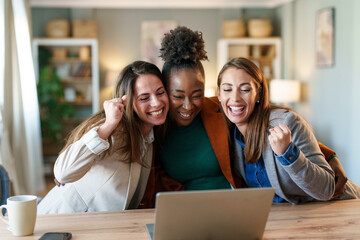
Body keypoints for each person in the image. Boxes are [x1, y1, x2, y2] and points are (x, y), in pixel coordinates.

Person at [154, 26, 346, 196]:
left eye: (197, 95)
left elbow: (276, 128)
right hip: (185, 208)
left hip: (234, 204)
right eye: (178, 96)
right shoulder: (156, 126)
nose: (188, 105)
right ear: (164, 92)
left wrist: (330, 156)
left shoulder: (217, 109)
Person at [217, 57, 360, 203]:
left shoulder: (287, 122)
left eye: (245, 89)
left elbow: (327, 189)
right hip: (294, 216)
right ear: (219, 94)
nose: (235, 98)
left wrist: (288, 154)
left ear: (259, 94)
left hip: (341, 206)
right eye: (227, 89)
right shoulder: (225, 131)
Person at [38, 61, 169, 214]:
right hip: (61, 220)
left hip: (99, 226)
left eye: (160, 93)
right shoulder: (114, 129)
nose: (157, 102)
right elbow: (63, 173)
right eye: (144, 98)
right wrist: (109, 124)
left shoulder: (149, 137)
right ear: (128, 102)